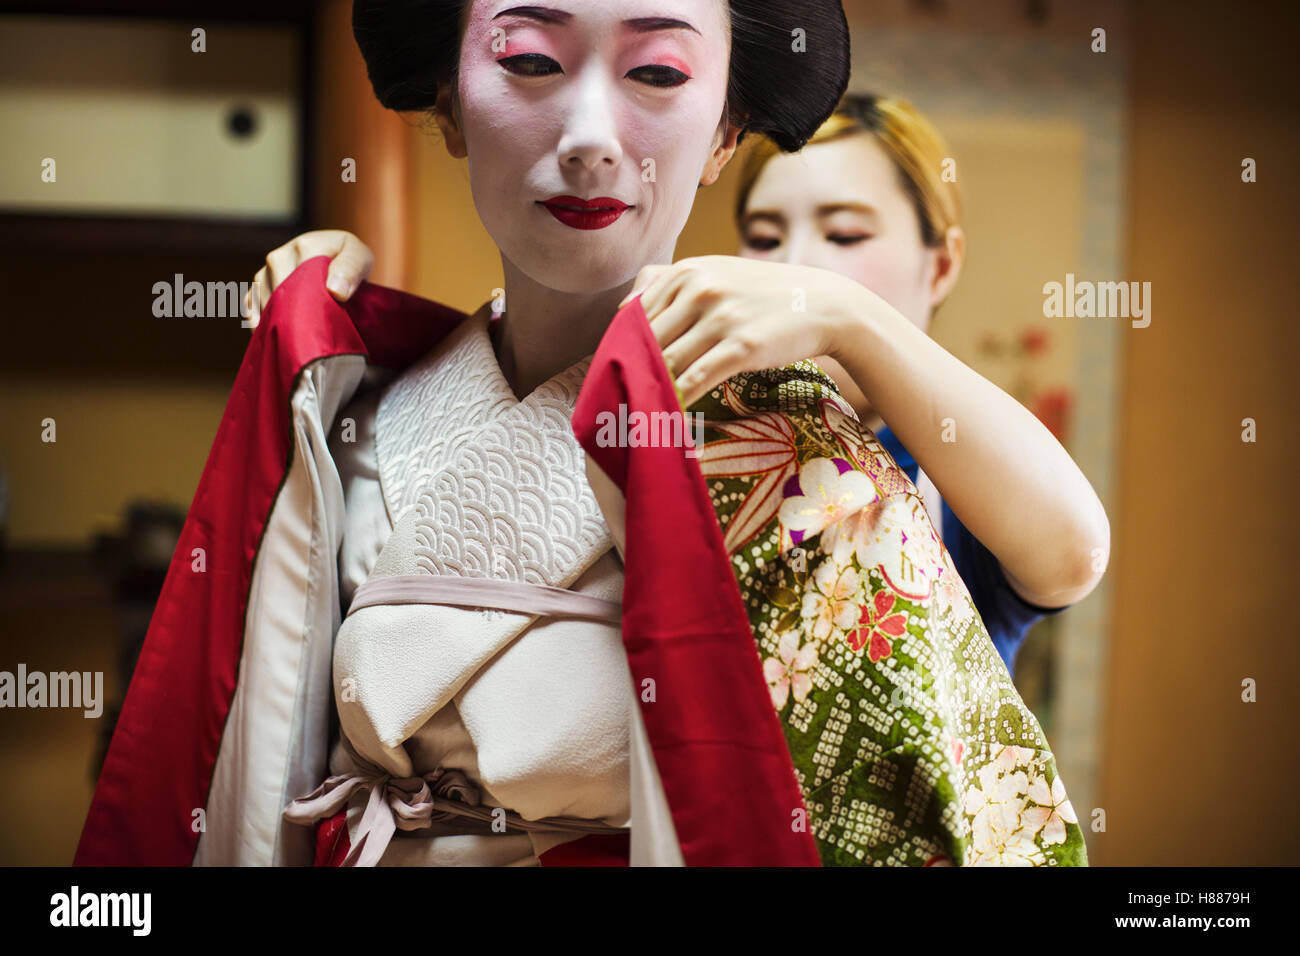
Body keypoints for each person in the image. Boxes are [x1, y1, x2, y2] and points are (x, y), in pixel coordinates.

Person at [78, 0, 1088, 867]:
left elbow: (1063, 558)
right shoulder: (355, 404)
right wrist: (314, 349)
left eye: (656, 70)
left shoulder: (791, 450)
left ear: (726, 132)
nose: (589, 136)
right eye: (527, 60)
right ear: (447, 100)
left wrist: (850, 324)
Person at [256, 95, 1109, 680]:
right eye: (766, 237)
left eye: (846, 234)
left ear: (943, 260)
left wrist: (847, 316)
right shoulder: (696, 425)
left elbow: (1073, 550)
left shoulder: (956, 469)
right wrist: (343, 312)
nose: (799, 266)